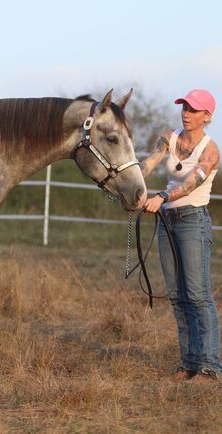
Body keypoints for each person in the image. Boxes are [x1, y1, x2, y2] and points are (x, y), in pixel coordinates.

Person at [140, 89, 221, 382]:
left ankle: (210, 366)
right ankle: (188, 363)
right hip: (167, 221)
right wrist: (135, 183)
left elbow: (188, 185)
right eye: (184, 107)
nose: (186, 113)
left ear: (207, 116)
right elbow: (150, 161)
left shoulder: (210, 152)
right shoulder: (169, 137)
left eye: (193, 109)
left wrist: (161, 196)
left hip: (192, 222)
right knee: (176, 295)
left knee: (198, 295)